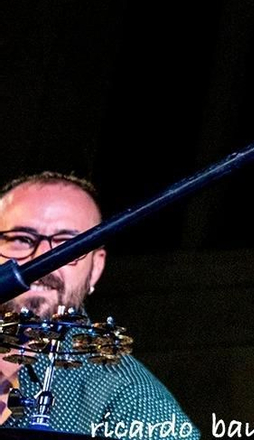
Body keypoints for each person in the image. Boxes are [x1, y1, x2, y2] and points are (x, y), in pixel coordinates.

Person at [0, 171, 196, 436]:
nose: (42, 260)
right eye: (22, 239)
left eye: (67, 246)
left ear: (96, 267)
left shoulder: (134, 401)